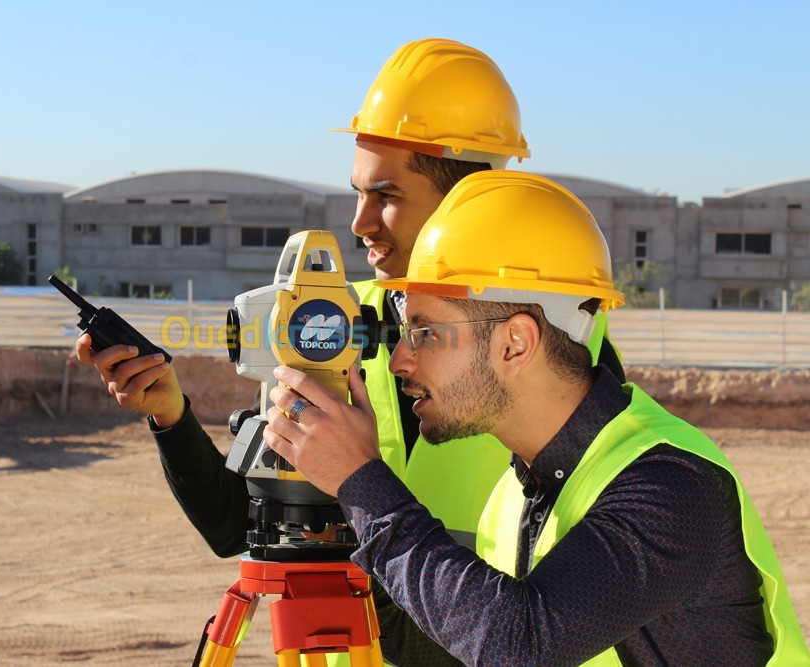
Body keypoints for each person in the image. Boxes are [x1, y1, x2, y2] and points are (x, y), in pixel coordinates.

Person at [78, 39, 623, 664]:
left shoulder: (558, 345)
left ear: (464, 202)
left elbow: (570, 604)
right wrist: (171, 415)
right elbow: (239, 526)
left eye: (386, 195)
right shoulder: (330, 319)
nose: (360, 221)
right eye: (358, 192)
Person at [262, 171, 809, 666]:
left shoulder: (669, 487)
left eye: (425, 333)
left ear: (515, 343)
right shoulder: (519, 490)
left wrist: (364, 482)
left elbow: (518, 646)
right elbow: (445, 646)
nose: (401, 358)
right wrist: (335, 500)